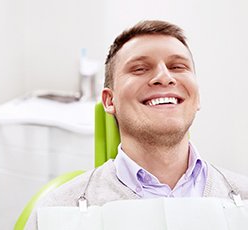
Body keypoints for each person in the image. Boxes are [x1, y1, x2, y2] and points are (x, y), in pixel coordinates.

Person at [25, 20, 248, 229]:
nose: (164, 77)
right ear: (109, 101)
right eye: (140, 69)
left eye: (178, 67)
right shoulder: (57, 212)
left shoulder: (243, 196)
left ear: (197, 97)